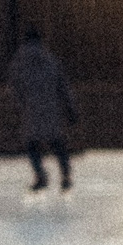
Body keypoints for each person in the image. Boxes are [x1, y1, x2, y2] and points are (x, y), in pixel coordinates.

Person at [7, 27, 77, 191]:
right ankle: (65, 175)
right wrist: (71, 109)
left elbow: (15, 89)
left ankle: (40, 175)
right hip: (51, 106)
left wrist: (17, 108)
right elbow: (63, 87)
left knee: (32, 144)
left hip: (31, 108)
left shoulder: (19, 63)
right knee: (57, 142)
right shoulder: (50, 60)